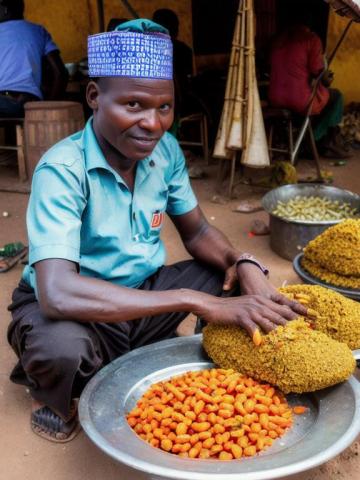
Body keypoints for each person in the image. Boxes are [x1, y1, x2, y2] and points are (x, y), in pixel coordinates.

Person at [7, 19, 307, 443]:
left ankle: (184, 364)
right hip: (74, 306)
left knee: (223, 276)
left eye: (163, 107)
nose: (152, 123)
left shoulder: (163, 153)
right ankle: (47, 392)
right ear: (95, 97)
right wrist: (193, 300)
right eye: (133, 105)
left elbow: (198, 230)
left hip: (141, 294)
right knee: (62, 351)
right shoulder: (63, 169)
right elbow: (57, 293)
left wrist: (244, 263)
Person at [268, 14, 349, 158]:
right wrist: (326, 77)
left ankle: (310, 140)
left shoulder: (277, 40)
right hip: (299, 100)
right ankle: (319, 141)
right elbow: (318, 71)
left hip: (275, 97)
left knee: (317, 97)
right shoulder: (311, 39)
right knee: (336, 96)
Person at [0, 0, 68, 118]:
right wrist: (47, 109)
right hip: (31, 103)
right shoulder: (39, 31)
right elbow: (61, 73)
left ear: (5, 10)